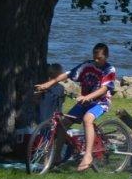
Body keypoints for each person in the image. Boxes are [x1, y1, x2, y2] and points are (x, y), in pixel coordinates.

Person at [36, 43, 118, 171]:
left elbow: (103, 89)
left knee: (87, 119)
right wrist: (49, 84)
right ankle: (56, 156)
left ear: (106, 56)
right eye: (95, 57)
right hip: (84, 102)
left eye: (100, 58)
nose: (96, 61)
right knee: (63, 123)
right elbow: (68, 74)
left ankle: (88, 156)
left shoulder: (109, 70)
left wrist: (88, 96)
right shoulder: (87, 66)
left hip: (101, 102)